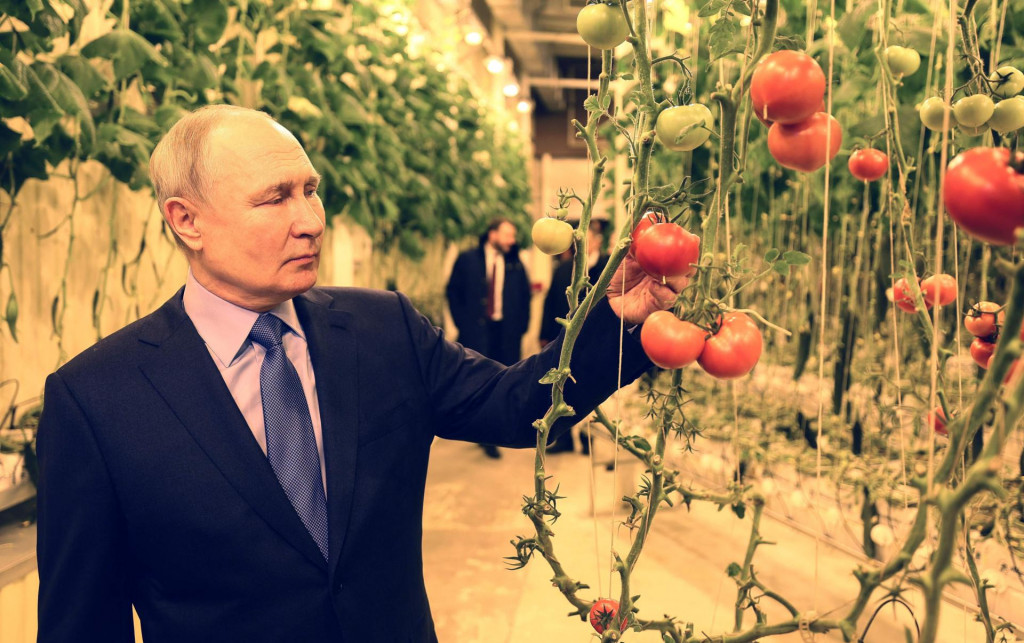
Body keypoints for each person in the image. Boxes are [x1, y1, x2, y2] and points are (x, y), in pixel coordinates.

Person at [34, 105, 684, 643]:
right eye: (276, 198)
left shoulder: (381, 330)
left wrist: (617, 321)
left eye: (311, 190)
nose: (311, 220)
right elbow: (83, 623)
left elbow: (513, 404)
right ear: (187, 220)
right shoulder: (100, 399)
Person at [445, 217, 532, 458]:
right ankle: (478, 430)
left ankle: (493, 432)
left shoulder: (515, 263)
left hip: (506, 332)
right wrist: (463, 322)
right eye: (507, 235)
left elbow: (524, 297)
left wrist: (521, 327)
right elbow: (453, 291)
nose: (512, 240)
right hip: (477, 331)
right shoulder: (467, 260)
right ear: (492, 234)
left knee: (504, 379)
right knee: (476, 381)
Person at [541, 218, 610, 454]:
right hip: (565, 338)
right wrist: (544, 334)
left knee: (591, 387)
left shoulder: (608, 266)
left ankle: (588, 437)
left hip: (597, 338)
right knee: (563, 386)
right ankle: (564, 438)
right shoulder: (563, 268)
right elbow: (550, 302)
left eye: (589, 239)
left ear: (598, 241)